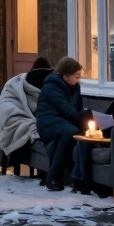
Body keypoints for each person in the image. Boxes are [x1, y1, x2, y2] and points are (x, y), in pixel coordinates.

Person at [34, 56, 86, 192]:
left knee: (69, 136)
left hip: (62, 122)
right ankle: (53, 177)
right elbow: (68, 110)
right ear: (65, 76)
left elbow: (78, 108)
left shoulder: (74, 87)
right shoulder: (51, 87)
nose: (78, 79)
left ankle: (56, 179)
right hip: (48, 122)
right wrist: (85, 120)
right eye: (76, 76)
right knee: (71, 132)